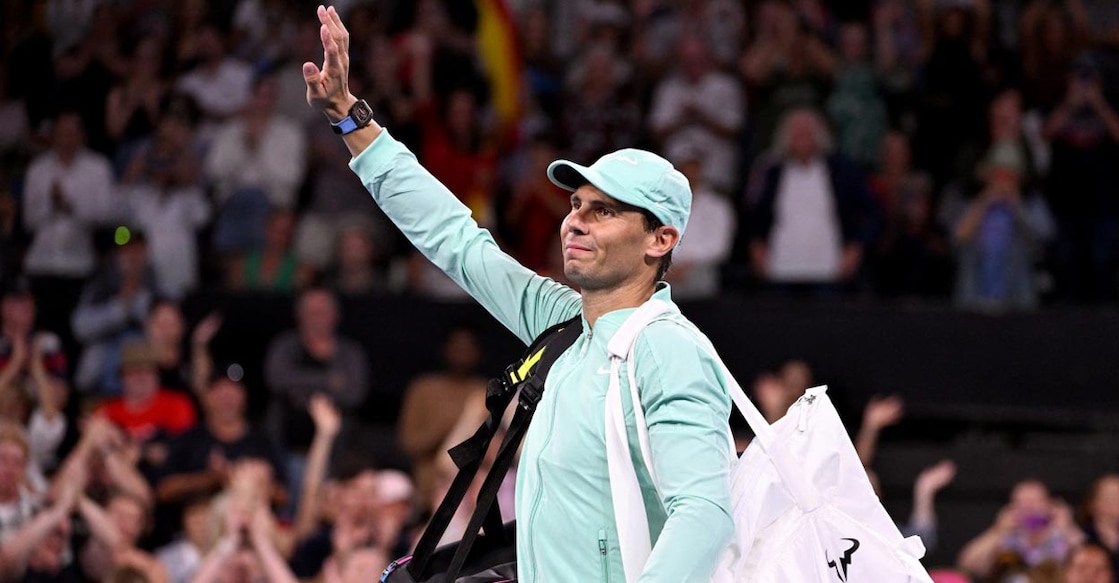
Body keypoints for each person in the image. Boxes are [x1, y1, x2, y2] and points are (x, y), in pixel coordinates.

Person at [302, 6, 735, 581]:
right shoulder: (565, 325)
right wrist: (350, 119)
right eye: (576, 206)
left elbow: (704, 514)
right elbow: (458, 241)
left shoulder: (669, 351)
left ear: (661, 239)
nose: (575, 222)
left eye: (602, 211)